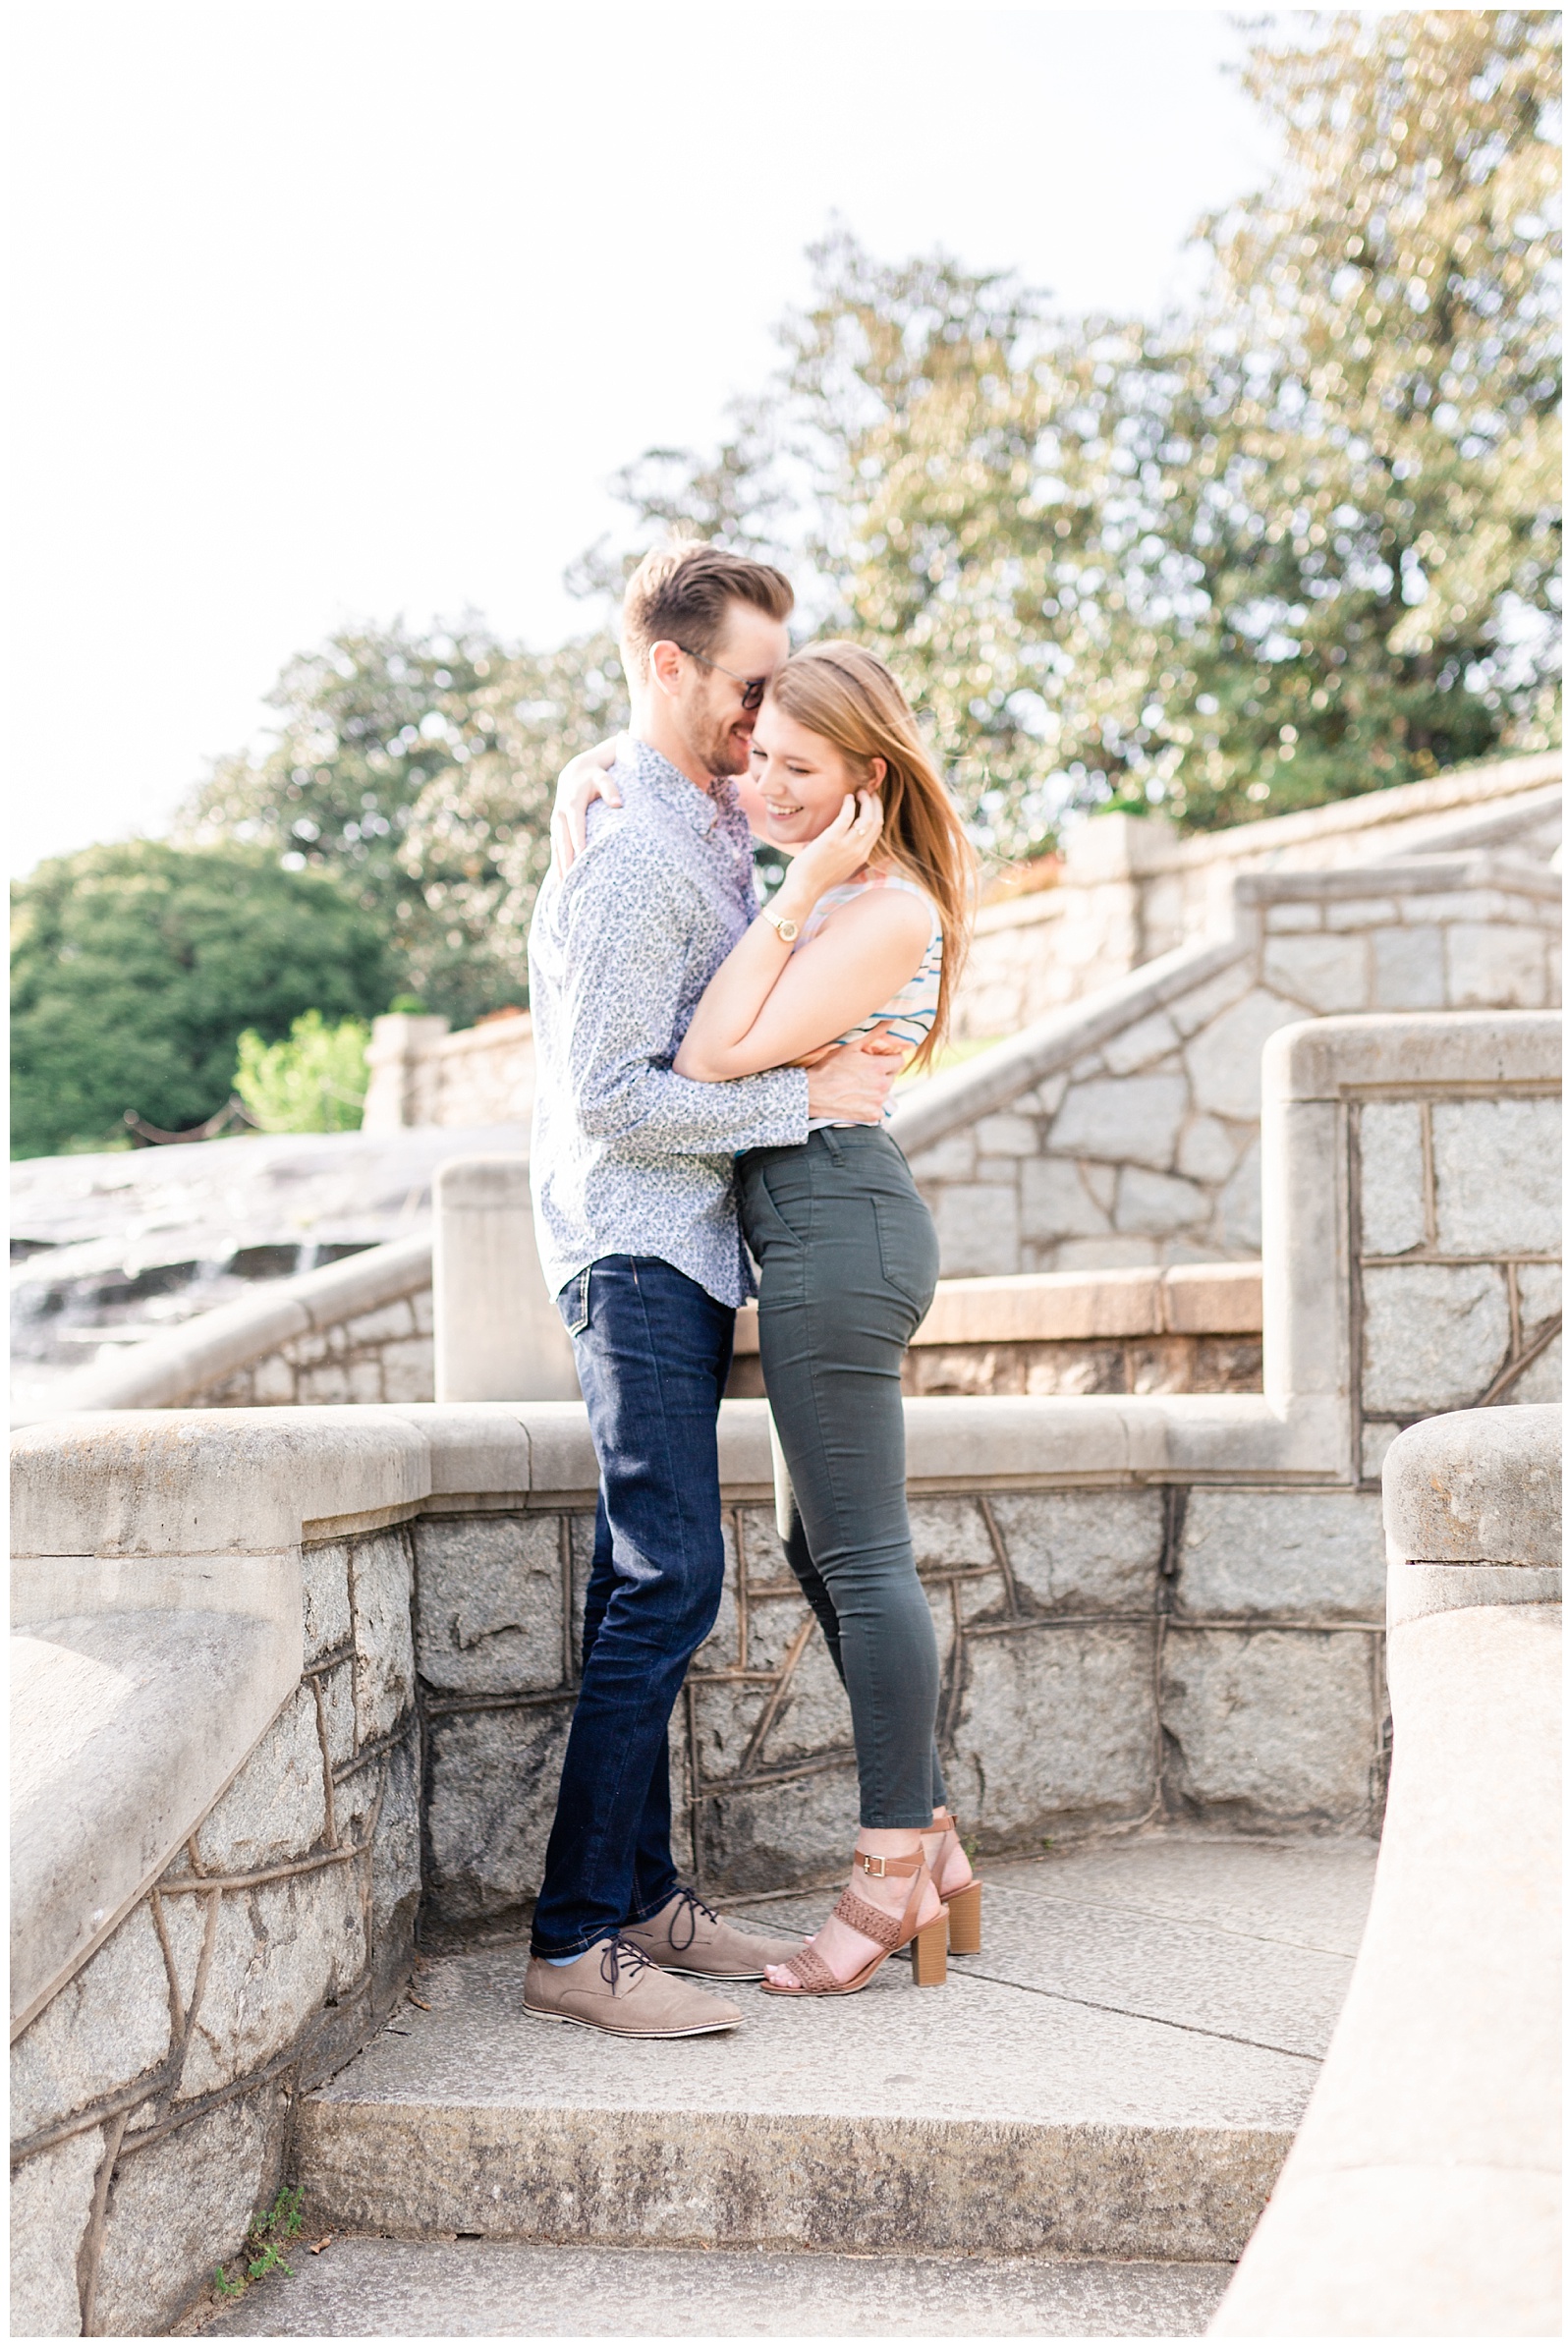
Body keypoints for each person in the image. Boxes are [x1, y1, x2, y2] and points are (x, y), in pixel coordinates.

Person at [554, 639, 985, 1999]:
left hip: (840, 1221)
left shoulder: (885, 906)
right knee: (817, 1542)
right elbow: (718, 1038)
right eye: (761, 762)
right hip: (801, 1226)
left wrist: (796, 895)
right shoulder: (824, 886)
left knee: (861, 1558)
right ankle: (937, 1847)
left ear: (869, 775)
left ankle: (887, 1876)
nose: (767, 787)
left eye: (801, 770)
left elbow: (710, 1055)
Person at [522, 543, 905, 2040]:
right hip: (630, 1243)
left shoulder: (686, 816)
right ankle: (572, 1940)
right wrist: (801, 1101)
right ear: (668, 667)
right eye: (749, 687)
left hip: (680, 1250)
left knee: (649, 1576)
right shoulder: (626, 851)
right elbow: (615, 1102)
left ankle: (645, 1895)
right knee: (672, 1575)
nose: (768, 720)